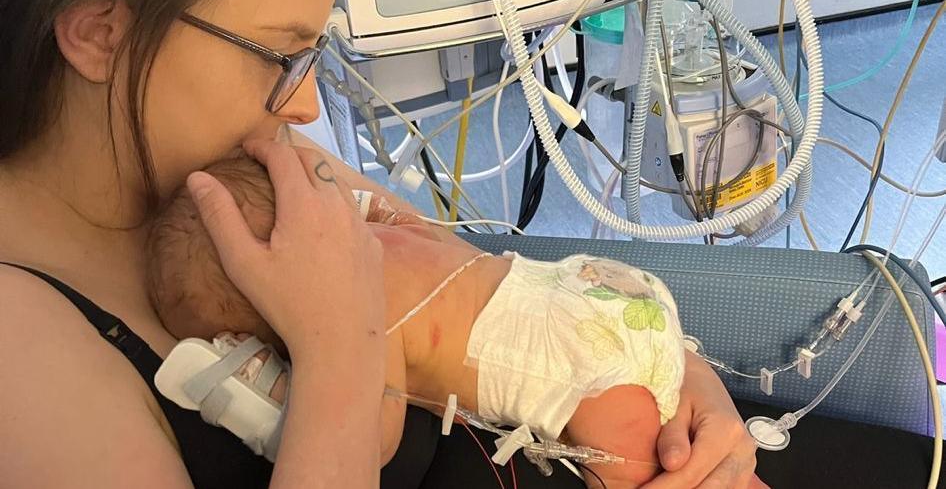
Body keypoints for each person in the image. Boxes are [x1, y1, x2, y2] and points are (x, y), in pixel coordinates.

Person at [0, 0, 761, 487]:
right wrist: (340, 344)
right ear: (102, 35)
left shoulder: (247, 162)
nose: (302, 108)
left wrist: (681, 384)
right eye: (279, 54)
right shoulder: (23, 348)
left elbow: (490, 295)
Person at [147, 155, 695, 488]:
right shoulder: (383, 227)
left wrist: (310, 373)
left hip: (588, 367)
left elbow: (375, 443)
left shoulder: (366, 312)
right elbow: (390, 213)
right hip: (605, 289)